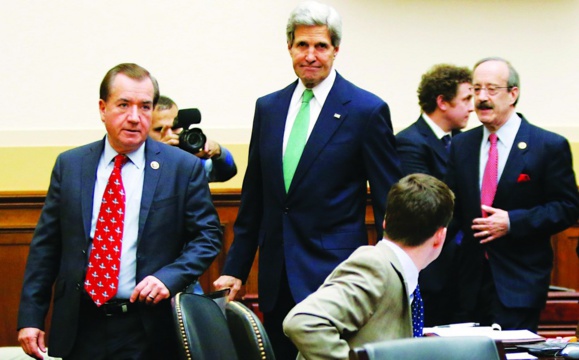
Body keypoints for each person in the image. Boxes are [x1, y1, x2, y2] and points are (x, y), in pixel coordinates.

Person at [213, 1, 401, 359]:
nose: (310, 55)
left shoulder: (365, 110)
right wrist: (236, 268)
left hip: (337, 278)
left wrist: (391, 274)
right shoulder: (268, 107)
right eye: (302, 45)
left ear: (336, 50)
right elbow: (255, 197)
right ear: (289, 48)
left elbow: (387, 199)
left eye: (320, 46)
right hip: (276, 276)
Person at [17, 63, 222, 359]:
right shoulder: (71, 166)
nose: (135, 117)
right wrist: (31, 318)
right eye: (124, 105)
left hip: (148, 326)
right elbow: (47, 246)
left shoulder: (181, 168)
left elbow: (208, 237)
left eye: (145, 106)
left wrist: (169, 277)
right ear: (103, 108)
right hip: (81, 324)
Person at [446, 57, 579, 331]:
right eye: (476, 89)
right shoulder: (461, 145)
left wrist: (513, 222)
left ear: (513, 94)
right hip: (467, 284)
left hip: (518, 282)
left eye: (491, 89)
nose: (482, 98)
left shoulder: (548, 146)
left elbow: (567, 207)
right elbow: (453, 210)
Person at [283, 173, 455, 360]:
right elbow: (303, 322)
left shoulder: (398, 271)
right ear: (440, 236)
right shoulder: (375, 265)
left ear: (385, 221)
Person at [396, 63, 473, 326]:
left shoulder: (465, 141)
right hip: (432, 268)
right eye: (466, 99)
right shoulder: (410, 142)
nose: (471, 107)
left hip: (462, 269)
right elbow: (425, 206)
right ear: (442, 102)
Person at [150, 95, 237, 183]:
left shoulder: (187, 159)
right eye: (159, 129)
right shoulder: (139, 161)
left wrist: (217, 151)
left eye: (174, 128)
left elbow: (227, 172)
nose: (169, 134)